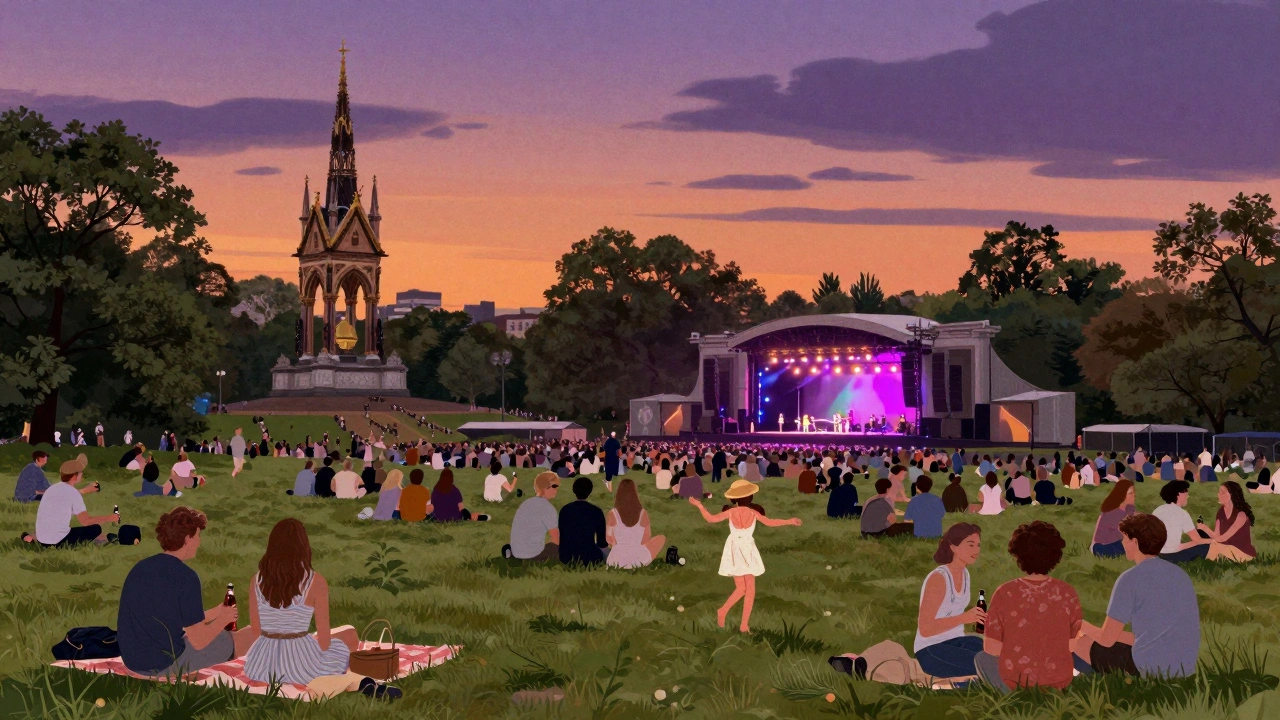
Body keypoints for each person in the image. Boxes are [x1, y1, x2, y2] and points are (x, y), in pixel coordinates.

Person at [117, 507, 249, 676]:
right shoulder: (187, 577)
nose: (199, 542)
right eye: (198, 536)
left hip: (133, 660)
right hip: (161, 665)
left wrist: (216, 612)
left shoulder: (141, 568)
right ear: (188, 538)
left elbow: (171, 617)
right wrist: (223, 619)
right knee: (228, 639)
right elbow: (199, 641)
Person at [242, 519, 367, 687]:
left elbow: (256, 631)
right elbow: (324, 642)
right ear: (303, 546)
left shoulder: (256, 580)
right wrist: (304, 642)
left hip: (262, 665)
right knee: (349, 635)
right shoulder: (316, 581)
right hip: (301, 665)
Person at [1075, 513, 1200, 678]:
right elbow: (1153, 634)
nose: (1122, 543)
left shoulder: (1129, 579)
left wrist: (1080, 625)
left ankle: (1092, 679)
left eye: (1124, 538)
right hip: (1183, 668)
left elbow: (1106, 639)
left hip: (1149, 669)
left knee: (1080, 643)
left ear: (1135, 542)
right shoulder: (1180, 575)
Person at [975, 521, 1082, 692]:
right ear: (1055, 555)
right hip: (1058, 679)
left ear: (1019, 556)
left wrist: (1019, 652)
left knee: (982, 658)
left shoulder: (1005, 592)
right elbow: (1071, 645)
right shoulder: (1067, 592)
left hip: (1016, 680)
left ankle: (1009, 694)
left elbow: (991, 647)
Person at [689, 480, 801, 633]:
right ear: (750, 498)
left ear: (735, 499)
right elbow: (770, 522)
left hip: (735, 548)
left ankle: (730, 615)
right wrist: (789, 521)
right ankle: (738, 621)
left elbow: (710, 519)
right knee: (748, 589)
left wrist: (700, 506)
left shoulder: (731, 512)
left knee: (742, 588)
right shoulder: (753, 512)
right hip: (746, 549)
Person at [914, 523, 986, 679]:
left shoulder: (965, 573)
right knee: (985, 664)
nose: (976, 550)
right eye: (971, 545)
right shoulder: (939, 578)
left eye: (978, 545)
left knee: (992, 652)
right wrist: (964, 618)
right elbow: (925, 628)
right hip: (930, 648)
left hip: (956, 640)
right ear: (953, 547)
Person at [24, 454, 116, 547]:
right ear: (74, 476)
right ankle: (101, 539)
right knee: (96, 528)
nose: (82, 475)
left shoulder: (52, 488)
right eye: (80, 473)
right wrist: (110, 518)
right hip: (57, 541)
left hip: (42, 539)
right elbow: (86, 521)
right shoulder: (73, 493)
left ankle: (29, 537)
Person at [605, 478, 666, 569]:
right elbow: (645, 539)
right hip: (639, 559)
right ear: (635, 493)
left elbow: (608, 539)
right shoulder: (643, 513)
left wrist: (618, 544)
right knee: (661, 538)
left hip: (615, 560)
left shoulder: (612, 514)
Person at [1197, 480, 1256, 562]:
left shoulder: (1241, 515)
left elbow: (1222, 539)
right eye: (1219, 492)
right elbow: (1217, 536)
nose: (1218, 494)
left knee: (1212, 545)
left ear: (1231, 495)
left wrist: (1203, 538)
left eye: (1222, 492)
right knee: (1210, 543)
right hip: (1226, 547)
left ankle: (1203, 562)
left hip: (1242, 553)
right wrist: (1203, 528)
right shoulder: (1221, 511)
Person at [1153, 481, 1209, 563]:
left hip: (1158, 553)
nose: (1188, 496)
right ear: (1179, 494)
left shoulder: (1157, 510)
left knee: (1201, 535)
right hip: (1173, 556)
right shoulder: (1182, 513)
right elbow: (1198, 540)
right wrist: (1213, 541)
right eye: (1186, 493)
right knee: (1205, 542)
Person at [508, 472, 560, 562]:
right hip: (534, 555)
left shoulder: (526, 503)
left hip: (516, 551)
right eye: (554, 486)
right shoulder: (548, 508)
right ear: (546, 487)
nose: (556, 489)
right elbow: (556, 539)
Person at [558, 477, 608, 565]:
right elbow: (602, 543)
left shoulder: (565, 510)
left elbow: (562, 535)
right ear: (590, 491)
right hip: (590, 557)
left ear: (574, 490)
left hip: (566, 557)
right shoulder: (596, 511)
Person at [1091, 480, 1136, 558]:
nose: (1134, 495)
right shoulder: (1113, 512)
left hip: (1118, 542)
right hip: (1103, 547)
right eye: (1130, 493)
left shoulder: (1129, 508)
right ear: (1122, 495)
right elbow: (1124, 535)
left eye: (1134, 492)